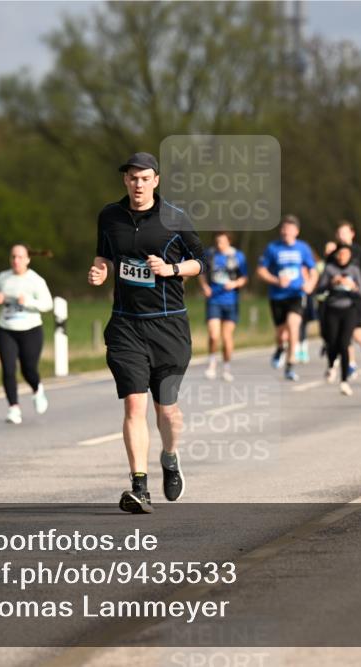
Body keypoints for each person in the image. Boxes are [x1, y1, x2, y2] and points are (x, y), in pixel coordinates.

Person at [88, 152, 204, 513]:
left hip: (168, 326)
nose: (138, 184)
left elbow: (201, 262)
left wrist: (171, 269)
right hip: (126, 325)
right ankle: (139, 486)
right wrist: (100, 270)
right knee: (134, 403)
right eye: (132, 178)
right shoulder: (110, 216)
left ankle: (170, 456)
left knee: (166, 410)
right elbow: (104, 256)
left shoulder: (175, 217)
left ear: (156, 181)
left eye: (144, 178)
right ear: (125, 180)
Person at [0, 243, 53, 424]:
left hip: (30, 330)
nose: (16, 260)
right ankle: (13, 408)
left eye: (20, 257)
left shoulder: (36, 280)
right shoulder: (3, 277)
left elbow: (48, 304)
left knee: (28, 369)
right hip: (6, 329)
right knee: (8, 369)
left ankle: (37, 389)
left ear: (28, 259)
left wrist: (29, 301)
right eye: (13, 257)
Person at [257, 215, 318, 382]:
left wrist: (310, 284)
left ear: (296, 231)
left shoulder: (303, 248)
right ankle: (279, 349)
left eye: (289, 229)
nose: (286, 232)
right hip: (277, 296)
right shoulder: (272, 248)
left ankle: (290, 365)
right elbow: (261, 270)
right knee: (281, 335)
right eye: (283, 229)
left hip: (296, 295)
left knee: (293, 326)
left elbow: (313, 271)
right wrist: (276, 280)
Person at [198, 231, 248, 382]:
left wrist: (235, 283)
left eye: (222, 242)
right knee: (213, 335)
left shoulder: (237, 256)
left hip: (231, 301)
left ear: (229, 241)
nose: (219, 245)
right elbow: (201, 272)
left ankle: (226, 367)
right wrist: (205, 287)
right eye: (217, 241)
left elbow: (244, 278)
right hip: (214, 300)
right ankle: (212, 364)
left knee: (226, 338)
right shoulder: (210, 254)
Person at [316, 244, 361, 396]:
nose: (343, 257)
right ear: (336, 255)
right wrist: (332, 283)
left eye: (346, 254)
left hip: (349, 309)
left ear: (350, 256)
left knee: (344, 344)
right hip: (332, 309)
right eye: (340, 254)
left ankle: (344, 381)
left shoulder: (354, 270)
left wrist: (352, 286)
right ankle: (331, 365)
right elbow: (319, 289)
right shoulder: (330, 269)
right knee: (332, 342)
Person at [332, 221, 361, 367]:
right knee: (342, 331)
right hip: (338, 297)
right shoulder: (333, 254)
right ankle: (350, 364)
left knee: (353, 329)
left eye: (344, 233)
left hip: (356, 297)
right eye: (339, 233)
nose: (342, 236)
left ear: (352, 234)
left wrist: (358, 283)